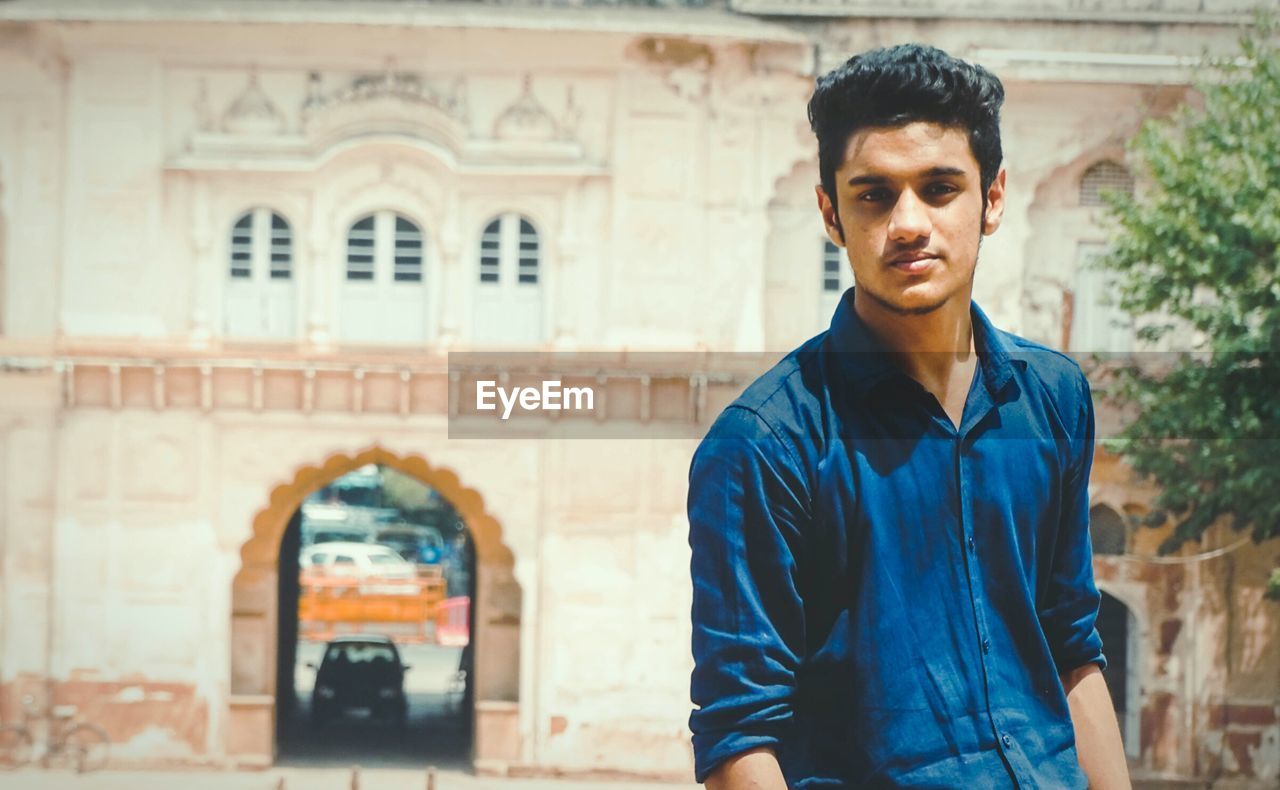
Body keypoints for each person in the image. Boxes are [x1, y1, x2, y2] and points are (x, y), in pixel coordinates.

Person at [686, 44, 1131, 789]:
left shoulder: (1051, 398)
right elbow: (739, 735)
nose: (908, 223)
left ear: (991, 200)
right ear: (831, 212)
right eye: (874, 194)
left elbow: (1071, 648)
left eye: (939, 187)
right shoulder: (764, 446)